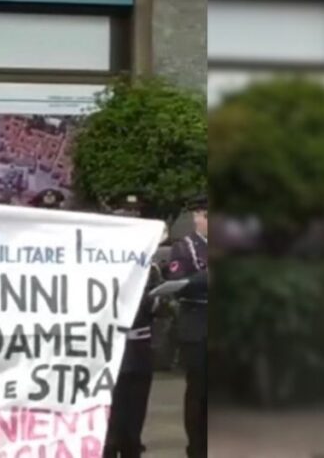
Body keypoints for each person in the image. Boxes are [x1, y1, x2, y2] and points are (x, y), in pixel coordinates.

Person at [104, 195, 162, 458]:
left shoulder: (149, 263)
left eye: (136, 213)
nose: (132, 218)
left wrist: (158, 301)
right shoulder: (103, 260)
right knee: (110, 422)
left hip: (139, 346)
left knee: (134, 417)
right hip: (112, 348)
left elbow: (157, 302)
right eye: (125, 213)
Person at [165, 196, 208, 458]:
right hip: (198, 324)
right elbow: (178, 283)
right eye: (206, 215)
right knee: (199, 392)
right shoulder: (185, 247)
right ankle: (197, 449)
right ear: (197, 217)